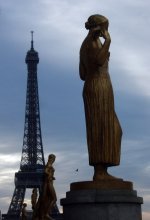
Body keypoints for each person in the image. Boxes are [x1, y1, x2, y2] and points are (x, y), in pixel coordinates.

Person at [79, 14, 122, 180]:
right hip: (99, 88)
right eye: (105, 27)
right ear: (97, 27)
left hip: (96, 86)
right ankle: (100, 172)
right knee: (102, 127)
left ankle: (102, 170)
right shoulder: (91, 42)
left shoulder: (87, 44)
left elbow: (82, 73)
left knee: (110, 128)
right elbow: (98, 61)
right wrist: (108, 42)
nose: (106, 31)